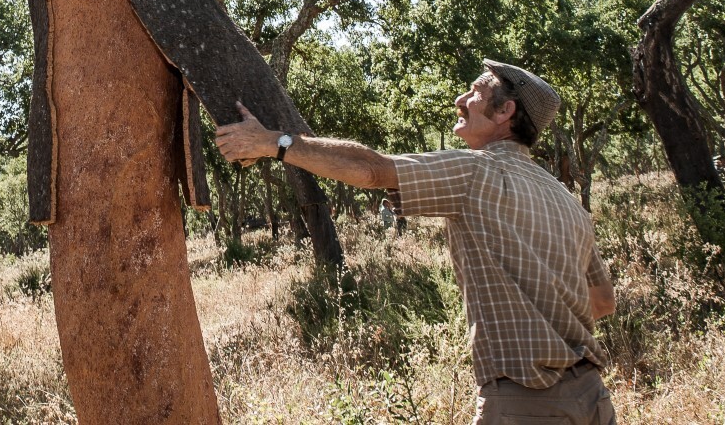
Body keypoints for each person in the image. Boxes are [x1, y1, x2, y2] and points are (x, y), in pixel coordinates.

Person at [217, 60, 618, 425]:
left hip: (527, 405)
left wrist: (274, 143)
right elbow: (602, 301)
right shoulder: (566, 199)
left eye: (476, 91)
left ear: (504, 112)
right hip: (593, 398)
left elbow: (373, 170)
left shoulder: (476, 171)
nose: (461, 99)